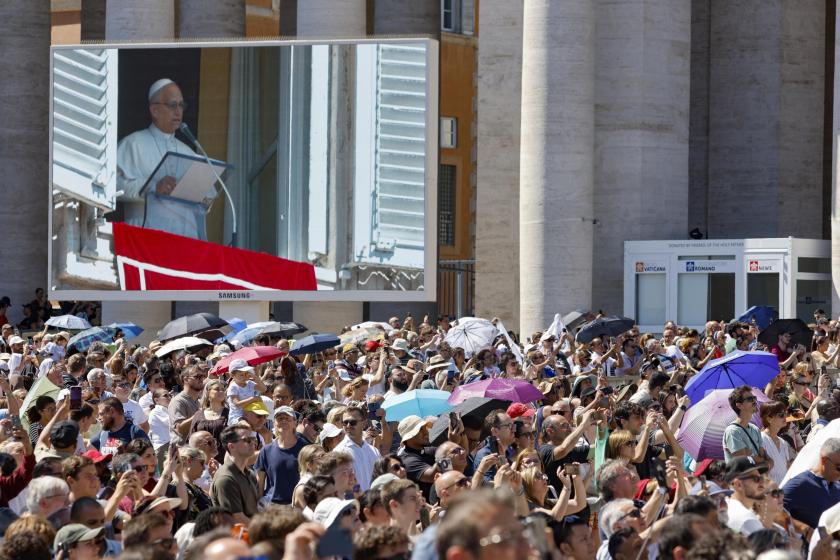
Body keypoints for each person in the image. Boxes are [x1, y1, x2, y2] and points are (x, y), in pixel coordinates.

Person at [116, 78, 208, 240]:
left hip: (185, 239)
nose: (179, 112)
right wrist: (152, 187)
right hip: (146, 236)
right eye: (173, 105)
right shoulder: (133, 144)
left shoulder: (188, 152)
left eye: (181, 105)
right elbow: (113, 186)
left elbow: (200, 202)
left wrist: (204, 196)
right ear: (155, 110)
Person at [783, 437, 840, 530]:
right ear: (824, 460)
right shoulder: (801, 483)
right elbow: (773, 513)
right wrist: (805, 530)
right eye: (839, 467)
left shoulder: (837, 486)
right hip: (809, 544)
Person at [254, 406, 307, 505]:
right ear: (274, 423)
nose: (283, 421)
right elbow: (260, 482)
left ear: (295, 423)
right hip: (272, 505)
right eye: (279, 418)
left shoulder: (305, 448)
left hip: (297, 505)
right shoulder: (266, 450)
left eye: (287, 418)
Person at [210, 425, 260, 524]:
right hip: (237, 536)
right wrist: (264, 532)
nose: (253, 443)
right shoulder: (225, 479)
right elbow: (236, 518)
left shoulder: (249, 474)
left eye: (253, 439)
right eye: (247, 440)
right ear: (231, 446)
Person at [333, 405, 382, 491]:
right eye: (345, 422)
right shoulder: (339, 452)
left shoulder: (374, 451)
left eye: (352, 422)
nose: (348, 426)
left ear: (364, 423)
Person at [723, 385, 769, 465]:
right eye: (750, 399)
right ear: (739, 405)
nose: (755, 401)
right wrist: (760, 460)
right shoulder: (733, 431)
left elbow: (765, 457)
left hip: (758, 476)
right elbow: (744, 463)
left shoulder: (755, 428)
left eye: (754, 398)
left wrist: (752, 456)